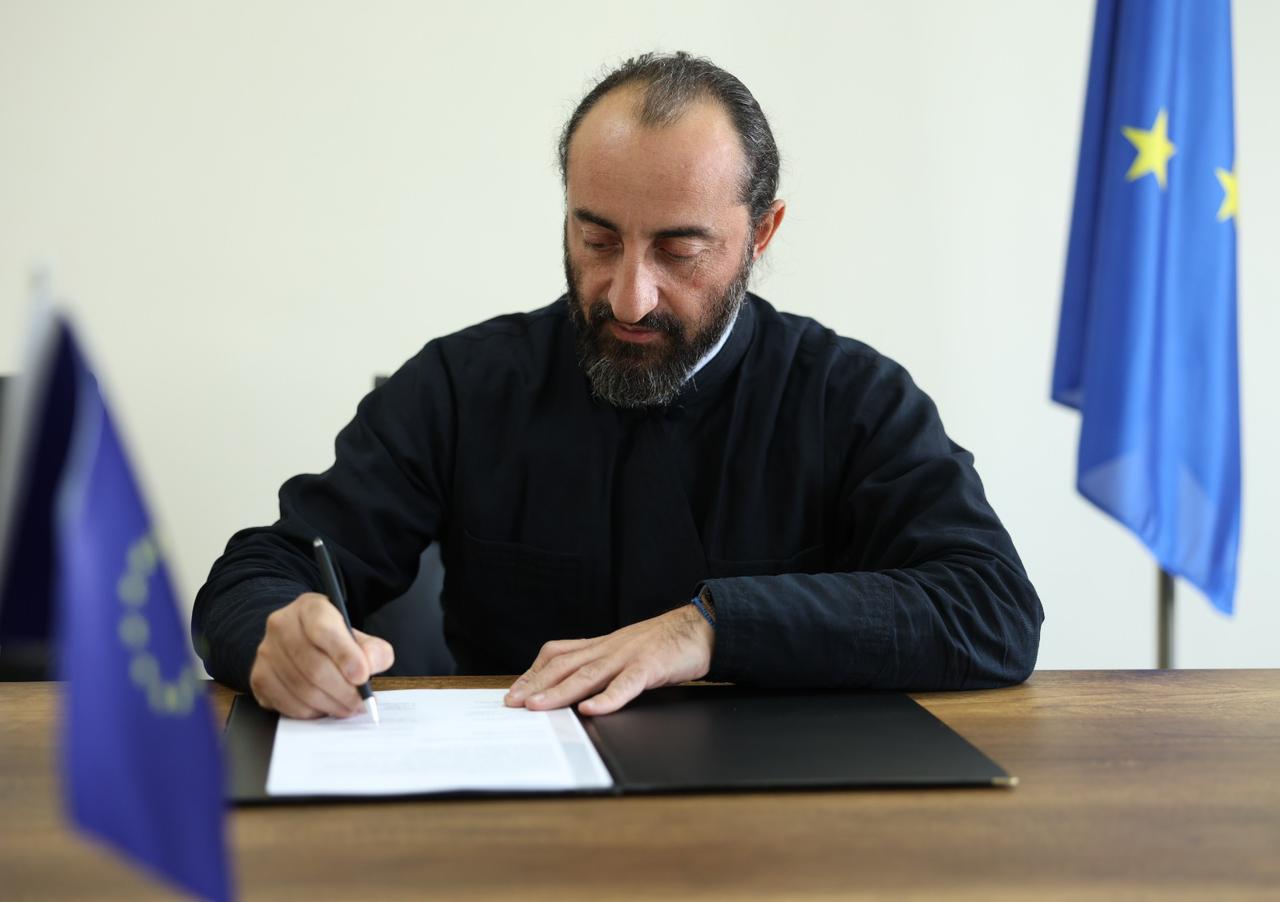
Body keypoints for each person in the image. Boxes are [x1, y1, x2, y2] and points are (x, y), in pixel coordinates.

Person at [193, 52, 1043, 721]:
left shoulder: (850, 397)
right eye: (597, 240)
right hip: (516, 821)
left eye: (680, 250)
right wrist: (277, 636)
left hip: (777, 826)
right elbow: (258, 572)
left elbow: (992, 606)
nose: (629, 297)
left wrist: (710, 627)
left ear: (762, 233)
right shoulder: (461, 386)